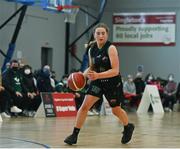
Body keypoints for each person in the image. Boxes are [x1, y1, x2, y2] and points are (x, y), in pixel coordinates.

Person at [64, 23, 135, 145]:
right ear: (94, 35)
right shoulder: (92, 49)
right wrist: (82, 75)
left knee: (115, 110)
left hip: (112, 82)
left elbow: (115, 70)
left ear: (107, 35)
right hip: (98, 82)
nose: (100, 35)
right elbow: (92, 67)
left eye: (103, 33)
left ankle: (128, 127)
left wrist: (98, 75)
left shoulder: (111, 48)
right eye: (98, 33)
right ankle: (74, 135)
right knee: (85, 106)